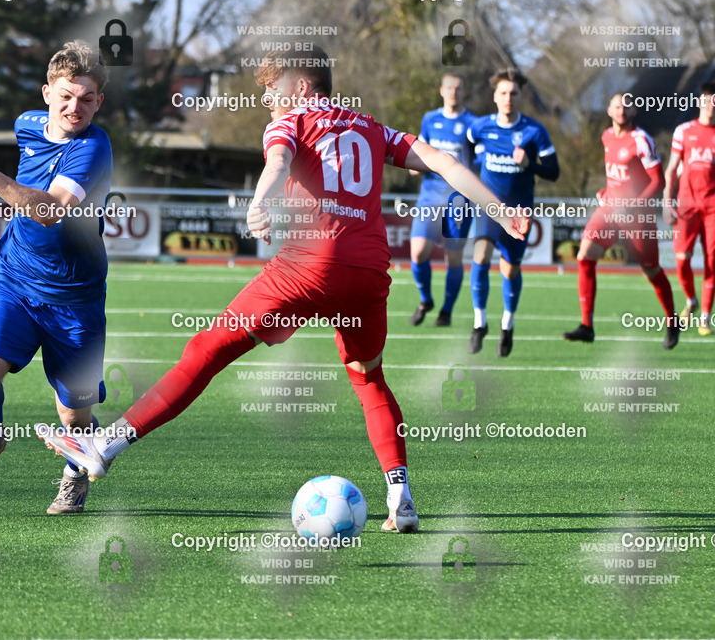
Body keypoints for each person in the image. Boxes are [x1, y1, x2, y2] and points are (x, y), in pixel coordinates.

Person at [35, 43, 528, 533]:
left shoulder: (292, 120)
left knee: (206, 351)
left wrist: (261, 203)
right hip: (369, 273)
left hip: (308, 268)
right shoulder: (373, 128)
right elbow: (443, 162)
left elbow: (276, 163)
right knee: (369, 377)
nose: (269, 99)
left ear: (303, 88)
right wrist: (502, 212)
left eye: (274, 89)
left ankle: (105, 446)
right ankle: (400, 496)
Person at [0, 40, 113, 514]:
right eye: (65, 95)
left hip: (75, 298)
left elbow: (52, 211)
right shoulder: (26, 125)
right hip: (15, 280)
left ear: (98, 102)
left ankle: (74, 470)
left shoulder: (94, 147)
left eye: (86, 98)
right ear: (47, 93)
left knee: (73, 414)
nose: (74, 107)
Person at [563, 92, 678, 348]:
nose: (622, 111)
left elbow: (658, 181)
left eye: (627, 106)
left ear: (634, 111)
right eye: (617, 106)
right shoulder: (606, 136)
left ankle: (672, 321)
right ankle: (587, 326)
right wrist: (607, 191)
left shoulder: (641, 140)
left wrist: (633, 206)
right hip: (610, 210)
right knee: (584, 256)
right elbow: (616, 174)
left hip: (637, 216)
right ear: (609, 110)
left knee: (651, 270)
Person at [466, 68, 559, 356]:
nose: (508, 98)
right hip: (489, 209)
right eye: (503, 93)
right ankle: (479, 323)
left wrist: (529, 164)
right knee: (479, 258)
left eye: (514, 93)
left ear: (521, 97)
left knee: (510, 270)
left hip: (518, 213)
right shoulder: (479, 128)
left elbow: (554, 172)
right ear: (495, 97)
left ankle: (507, 325)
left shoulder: (534, 131)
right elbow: (465, 153)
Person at [407, 73, 478, 327]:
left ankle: (446, 311)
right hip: (430, 196)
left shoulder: (473, 124)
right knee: (418, 252)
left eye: (458, 88)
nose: (453, 92)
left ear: (465, 92)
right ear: (441, 90)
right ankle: (426, 300)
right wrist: (414, 164)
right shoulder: (430, 119)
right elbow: (422, 148)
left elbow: (478, 162)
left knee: (454, 258)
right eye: (449, 87)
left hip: (459, 200)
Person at [663, 82, 715, 336]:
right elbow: (672, 169)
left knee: (712, 261)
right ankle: (691, 300)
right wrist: (666, 200)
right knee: (682, 259)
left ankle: (705, 316)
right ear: (700, 102)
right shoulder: (684, 131)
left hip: (713, 206)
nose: (710, 105)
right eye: (707, 99)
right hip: (686, 204)